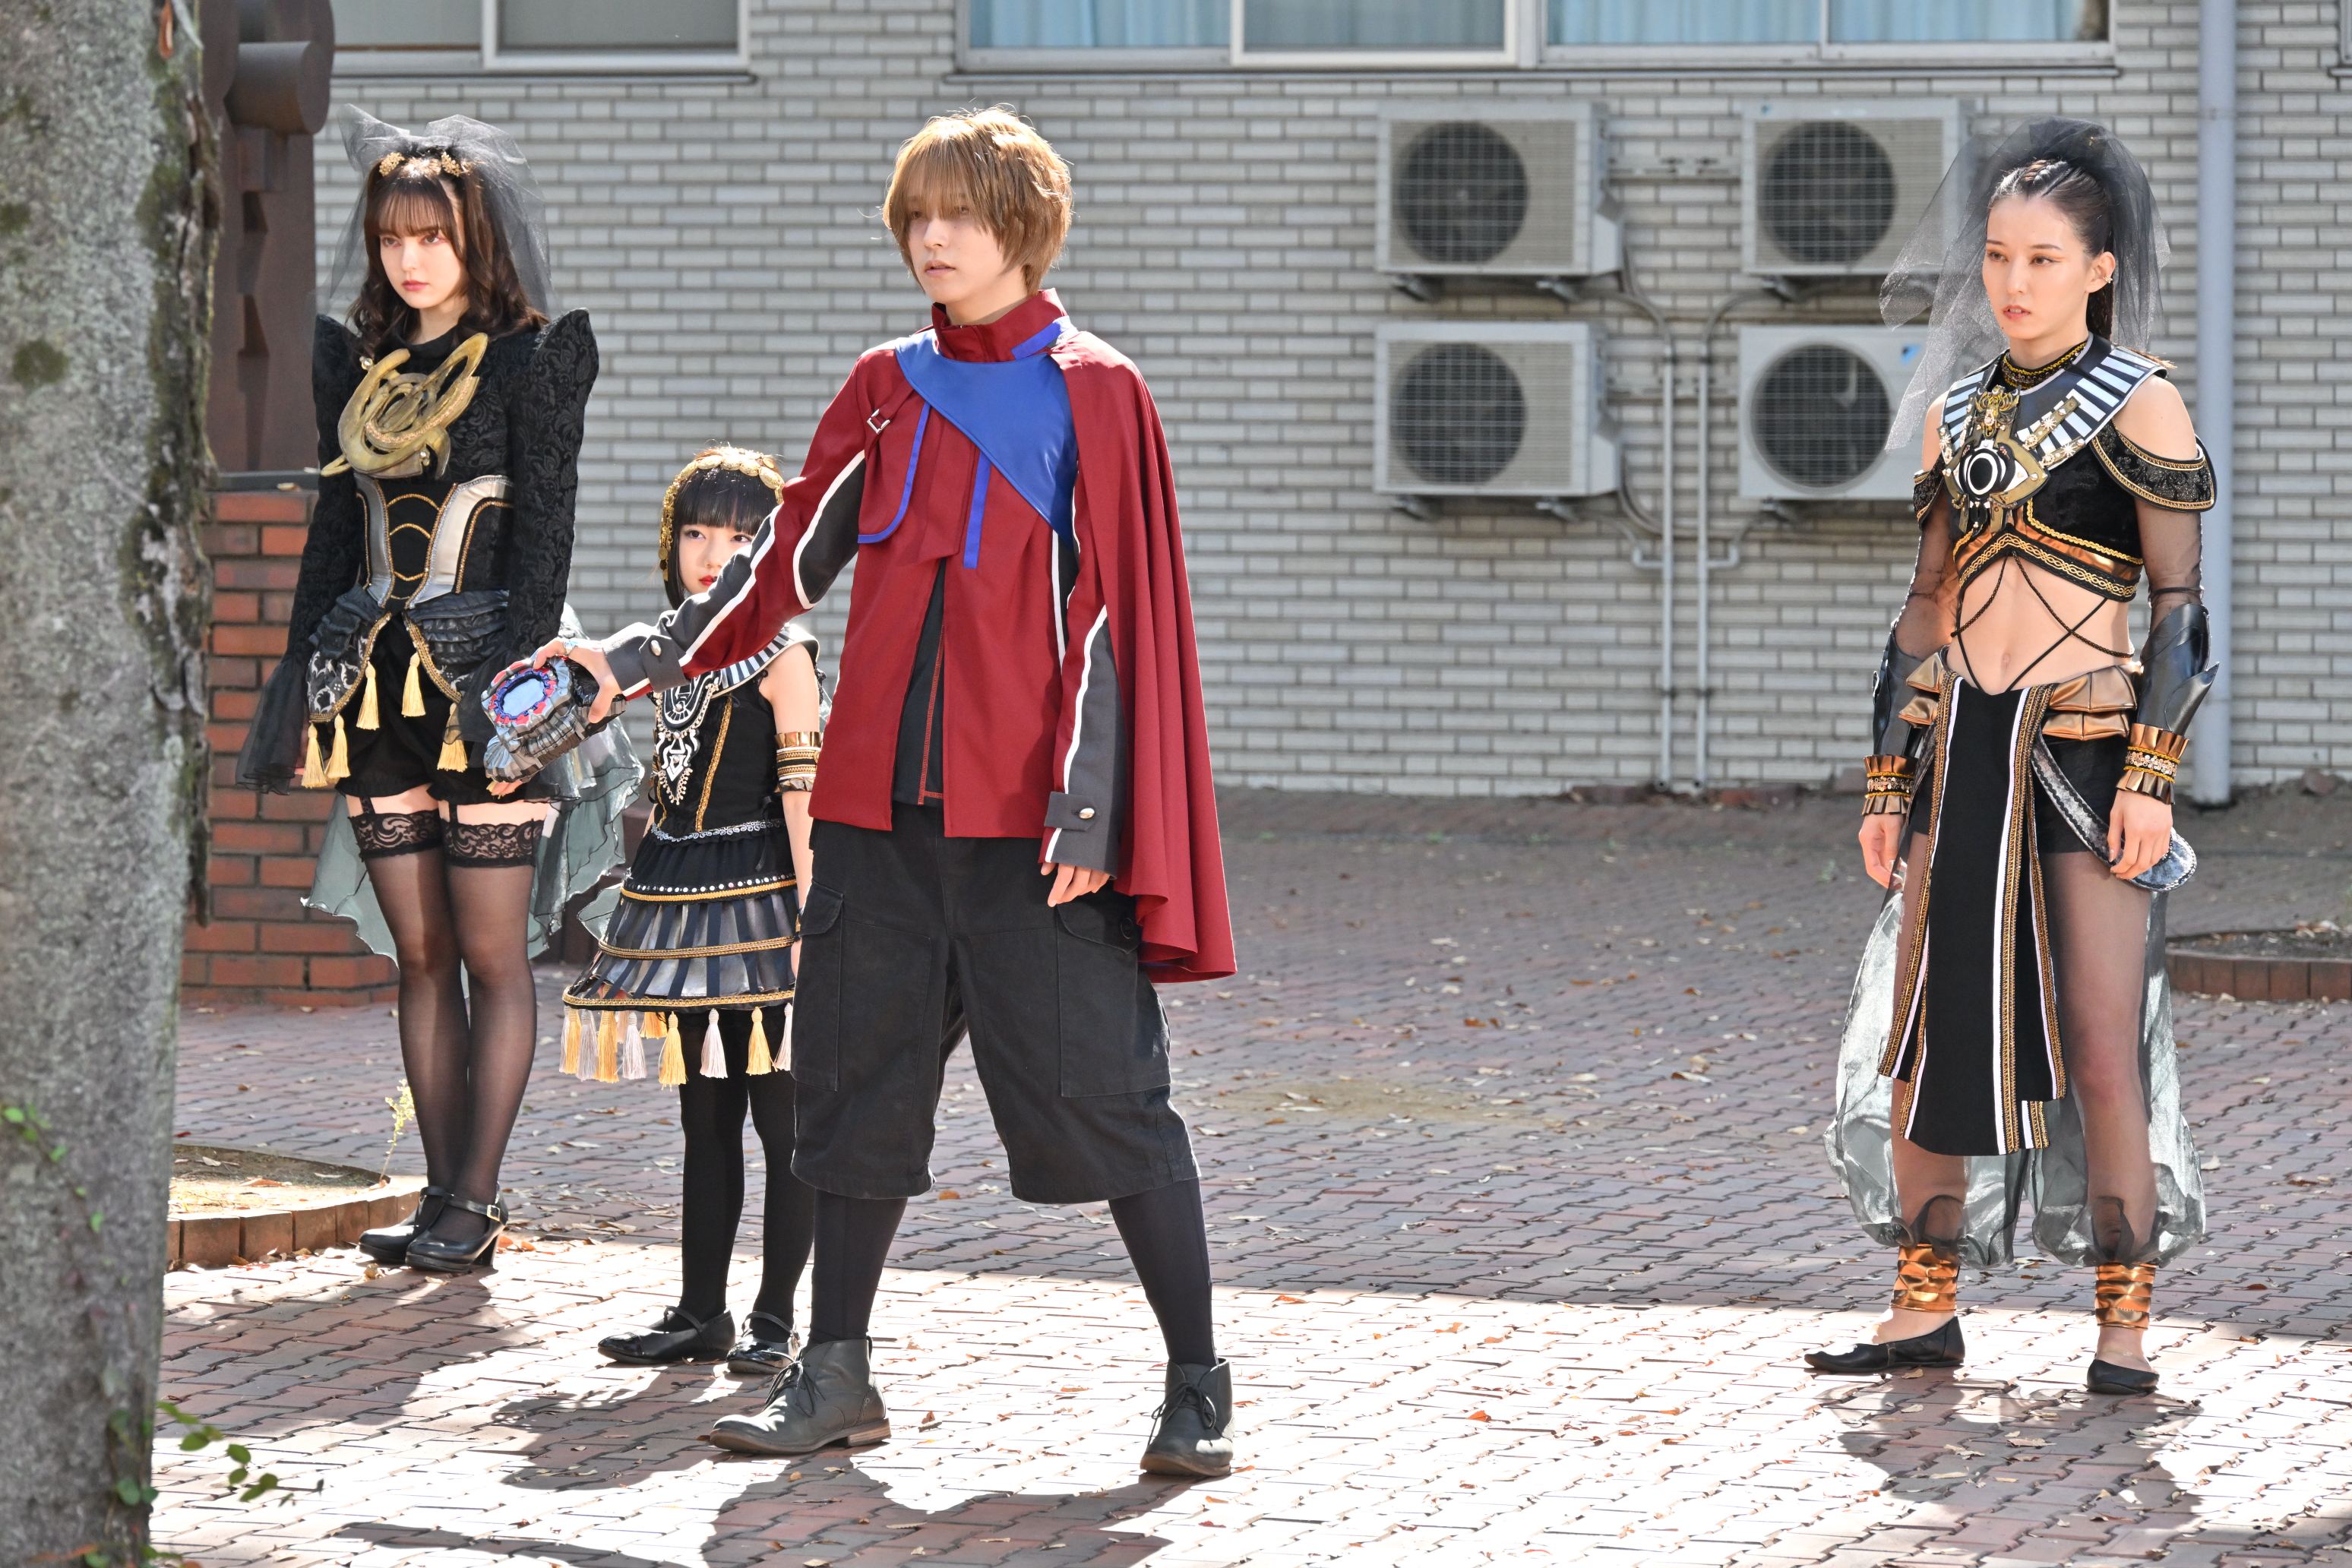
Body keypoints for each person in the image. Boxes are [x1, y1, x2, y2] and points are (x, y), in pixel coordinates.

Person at [525, 107, 1238, 1475]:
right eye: (916, 215)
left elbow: (1116, 616)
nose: (931, 238)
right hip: (874, 824)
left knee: (1107, 1095)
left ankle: (1196, 1383)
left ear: (1021, 227)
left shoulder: (1097, 390)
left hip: (1035, 831)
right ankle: (834, 1374)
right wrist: (631, 658)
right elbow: (779, 565)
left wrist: (1093, 810)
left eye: (958, 215)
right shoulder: (885, 384)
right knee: (849, 1096)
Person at [1816, 119, 2214, 1396]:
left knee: (2100, 1047)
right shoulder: (1954, 414)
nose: (2013, 281)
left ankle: (2122, 1328)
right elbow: (1925, 608)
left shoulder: (2140, 399)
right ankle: (1920, 1307)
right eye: (1997, 255)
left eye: (2043, 258)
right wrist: (1887, 782)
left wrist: (2152, 778)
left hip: (2088, 761)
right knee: (1931, 1034)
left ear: (2099, 268)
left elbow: (2182, 612)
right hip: (1963, 756)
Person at [238, 111, 634, 1275]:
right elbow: (332, 532)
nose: (411, 258)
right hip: (372, 688)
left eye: (434, 237)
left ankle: (477, 1197)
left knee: (494, 954)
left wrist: (510, 703)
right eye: (392, 237)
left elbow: (544, 547)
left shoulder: (532, 359)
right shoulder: (353, 363)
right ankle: (439, 1195)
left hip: (487, 689)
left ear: (476, 241)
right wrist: (303, 679)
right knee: (419, 956)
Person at [564, 447, 822, 1377]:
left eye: (743, 536)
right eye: (698, 533)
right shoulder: (668, 659)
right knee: (704, 1119)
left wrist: (815, 928)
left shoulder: (786, 654)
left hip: (765, 910)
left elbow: (803, 799)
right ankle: (700, 1312)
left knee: (785, 1126)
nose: (714, 554)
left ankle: (775, 1321)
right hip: (677, 899)